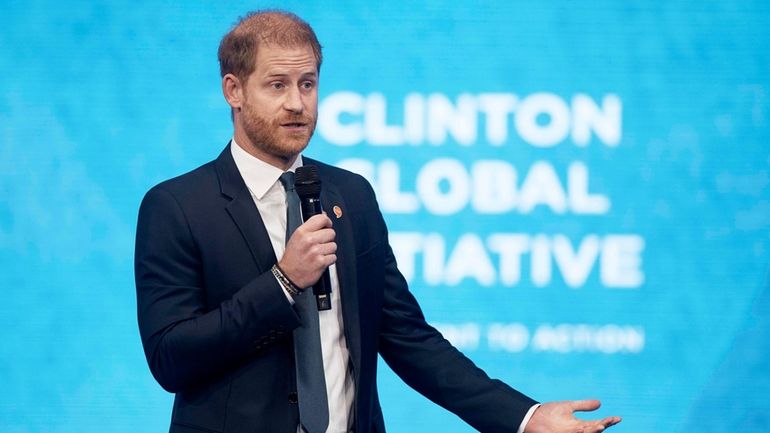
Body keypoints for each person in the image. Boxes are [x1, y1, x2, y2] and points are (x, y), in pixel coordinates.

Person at [135, 10, 622, 433]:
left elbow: (408, 337)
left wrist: (524, 417)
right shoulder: (177, 207)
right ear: (233, 91)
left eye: (308, 84)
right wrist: (283, 283)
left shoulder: (350, 196)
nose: (297, 104)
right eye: (277, 85)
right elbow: (171, 358)